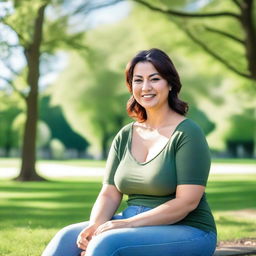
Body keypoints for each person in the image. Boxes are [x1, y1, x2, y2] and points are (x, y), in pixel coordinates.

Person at [42, 48, 217, 256]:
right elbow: (109, 192)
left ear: (170, 84)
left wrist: (128, 224)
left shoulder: (188, 133)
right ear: (130, 85)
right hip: (131, 220)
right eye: (138, 80)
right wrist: (95, 226)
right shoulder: (126, 134)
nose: (145, 87)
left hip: (189, 230)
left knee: (106, 244)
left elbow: (187, 202)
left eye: (154, 79)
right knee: (66, 238)